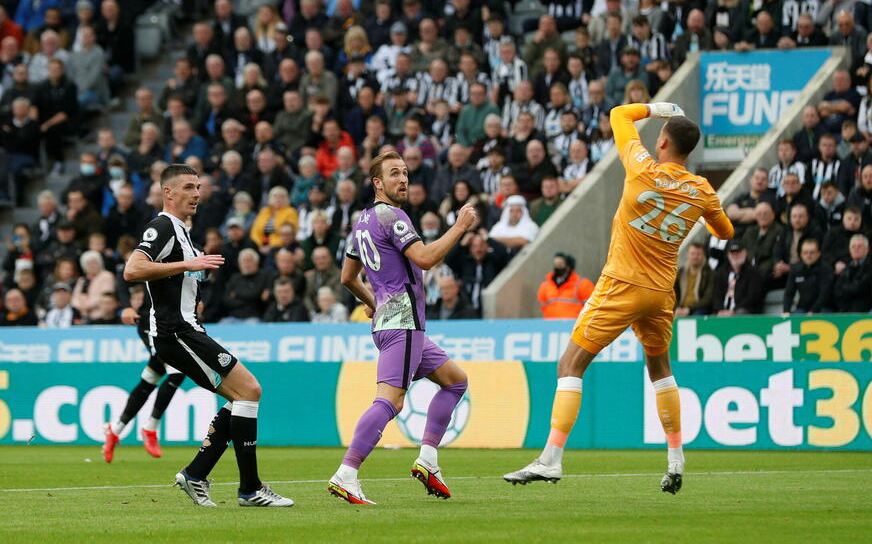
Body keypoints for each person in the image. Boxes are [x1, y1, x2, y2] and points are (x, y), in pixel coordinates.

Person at [504, 100, 734, 494]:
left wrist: (658, 108)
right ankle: (676, 460)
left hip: (622, 284)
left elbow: (618, 115)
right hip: (662, 292)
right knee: (661, 370)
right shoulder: (701, 190)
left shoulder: (641, 166)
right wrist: (687, 216)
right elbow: (725, 231)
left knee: (570, 366)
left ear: (661, 142)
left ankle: (551, 461)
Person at [123, 164, 293, 508]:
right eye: (188, 187)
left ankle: (197, 474)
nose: (196, 193)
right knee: (250, 390)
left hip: (187, 330)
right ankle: (250, 489)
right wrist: (188, 265)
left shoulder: (182, 231)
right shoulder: (162, 227)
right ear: (168, 193)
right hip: (177, 333)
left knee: (241, 398)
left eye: (198, 187)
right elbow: (133, 269)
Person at [328, 151, 478, 505]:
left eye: (406, 173)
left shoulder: (362, 221)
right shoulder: (393, 216)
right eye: (394, 174)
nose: (403, 179)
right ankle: (346, 473)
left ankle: (428, 459)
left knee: (456, 381)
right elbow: (424, 259)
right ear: (377, 183)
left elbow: (347, 277)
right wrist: (459, 226)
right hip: (405, 323)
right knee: (390, 400)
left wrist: (374, 300)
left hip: (391, 323)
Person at [101, 286, 186, 462]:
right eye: (135, 299)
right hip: (154, 328)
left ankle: (115, 429)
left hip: (173, 325)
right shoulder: (142, 318)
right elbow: (122, 278)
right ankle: (150, 428)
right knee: (177, 372)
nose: (137, 301)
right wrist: (125, 306)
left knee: (149, 380)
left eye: (139, 298)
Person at [537, 252, 595, 319]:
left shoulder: (583, 284)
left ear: (569, 267)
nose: (557, 268)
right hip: (551, 325)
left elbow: (591, 307)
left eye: (560, 264)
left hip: (573, 325)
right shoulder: (545, 285)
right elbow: (543, 306)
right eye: (556, 265)